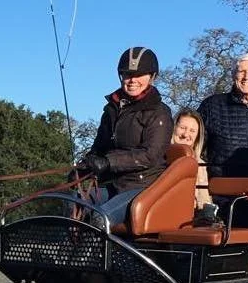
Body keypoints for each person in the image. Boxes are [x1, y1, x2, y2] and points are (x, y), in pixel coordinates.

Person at [75, 46, 173, 226]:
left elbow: (150, 155)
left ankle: (94, 254)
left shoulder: (160, 113)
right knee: (74, 203)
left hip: (142, 186)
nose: (132, 80)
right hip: (112, 184)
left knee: (100, 218)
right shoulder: (111, 109)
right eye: (127, 74)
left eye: (139, 74)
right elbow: (99, 147)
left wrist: (109, 162)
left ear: (152, 77)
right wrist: (86, 165)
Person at [170, 109, 213, 211]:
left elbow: (205, 200)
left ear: (197, 136)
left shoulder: (201, 165)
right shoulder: (160, 159)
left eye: (192, 131)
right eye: (182, 128)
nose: (185, 134)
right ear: (173, 128)